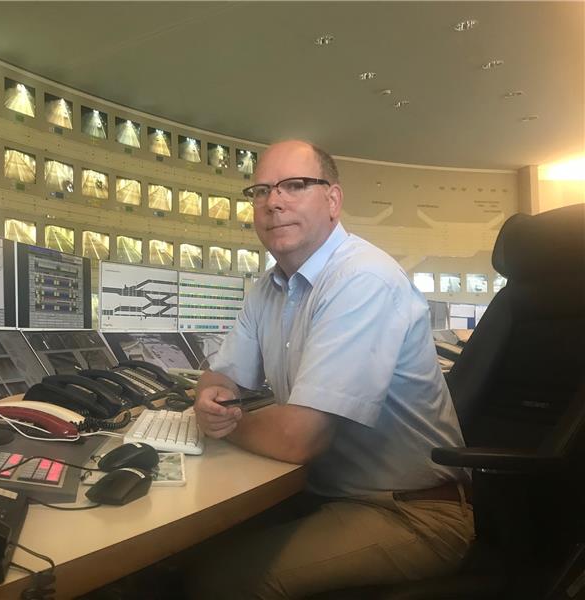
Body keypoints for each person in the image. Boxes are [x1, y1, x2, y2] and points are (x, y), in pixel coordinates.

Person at [189, 140, 473, 598]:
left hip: (411, 513)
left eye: (295, 185)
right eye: (260, 191)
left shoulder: (362, 279)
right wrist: (211, 397)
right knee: (189, 549)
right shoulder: (268, 288)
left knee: (220, 582)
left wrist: (224, 423)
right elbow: (222, 375)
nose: (274, 201)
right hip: (327, 495)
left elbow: (301, 438)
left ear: (333, 201)